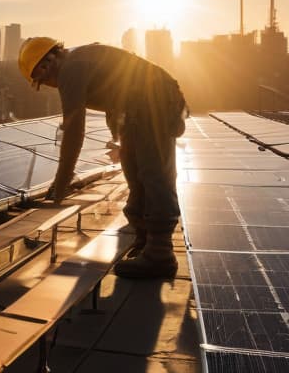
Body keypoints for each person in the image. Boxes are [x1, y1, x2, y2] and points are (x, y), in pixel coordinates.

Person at [18, 37, 187, 279]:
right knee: (134, 171)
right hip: (137, 106)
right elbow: (115, 94)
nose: (47, 85)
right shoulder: (81, 60)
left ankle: (160, 254)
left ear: (47, 63)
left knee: (154, 173)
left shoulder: (71, 68)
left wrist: (62, 181)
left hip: (155, 99)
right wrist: (120, 140)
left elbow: (74, 128)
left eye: (42, 80)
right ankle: (144, 241)